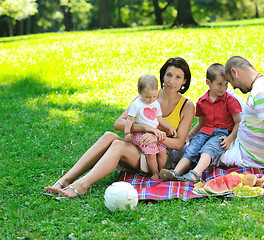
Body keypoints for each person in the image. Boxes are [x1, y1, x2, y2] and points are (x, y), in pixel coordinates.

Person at [44, 57, 195, 198]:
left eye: (178, 77)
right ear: (162, 76)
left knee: (117, 144)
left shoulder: (187, 106)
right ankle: (64, 180)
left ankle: (81, 185)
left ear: (184, 81)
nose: (171, 81)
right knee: (109, 135)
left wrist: (157, 136)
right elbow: (119, 123)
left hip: (158, 157)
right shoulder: (147, 95)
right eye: (169, 75)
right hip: (138, 145)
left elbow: (179, 143)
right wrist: (144, 127)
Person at [160, 63, 242, 183]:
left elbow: (238, 122)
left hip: (222, 133)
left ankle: (195, 174)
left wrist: (230, 138)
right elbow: (201, 123)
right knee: (191, 149)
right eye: (219, 84)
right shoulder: (202, 101)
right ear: (208, 83)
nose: (224, 88)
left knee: (208, 149)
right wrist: (189, 135)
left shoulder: (230, 100)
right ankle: (175, 172)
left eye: (226, 84)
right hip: (205, 132)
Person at [124, 74, 177, 179]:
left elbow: (160, 118)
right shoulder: (136, 105)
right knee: (151, 153)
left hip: (153, 132)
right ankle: (155, 173)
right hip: (139, 133)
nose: (151, 100)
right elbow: (129, 120)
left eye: (154, 96)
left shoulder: (155, 103)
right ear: (139, 92)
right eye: (148, 97)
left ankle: (162, 170)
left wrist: (169, 128)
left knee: (162, 151)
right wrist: (127, 133)